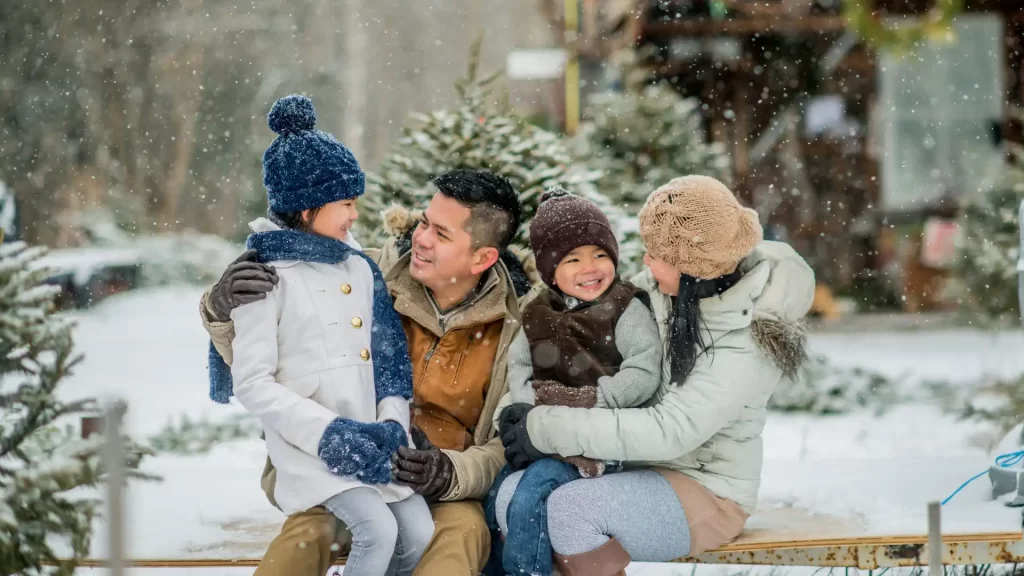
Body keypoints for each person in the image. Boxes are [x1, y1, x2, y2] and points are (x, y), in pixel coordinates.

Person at [201, 166, 542, 576]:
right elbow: (271, 366)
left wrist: (449, 472)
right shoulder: (360, 272)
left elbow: (504, 445)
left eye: (442, 234)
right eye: (424, 223)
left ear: (483, 257)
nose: (421, 238)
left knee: (460, 533)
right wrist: (222, 310)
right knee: (312, 533)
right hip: (339, 467)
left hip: (442, 486)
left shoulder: (518, 326)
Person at [499, 175, 816, 576]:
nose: (644, 262)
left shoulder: (747, 339)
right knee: (512, 496)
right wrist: (520, 408)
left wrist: (545, 428)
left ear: (693, 267)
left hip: (708, 489)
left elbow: (672, 430)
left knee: (570, 511)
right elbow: (571, 347)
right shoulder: (663, 293)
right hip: (634, 466)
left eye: (656, 254)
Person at [209, 94, 435, 575]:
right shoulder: (265, 275)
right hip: (310, 448)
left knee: (418, 531)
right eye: (346, 204)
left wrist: (392, 425)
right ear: (307, 206)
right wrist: (330, 434)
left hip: (375, 439)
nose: (355, 215)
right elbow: (252, 382)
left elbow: (390, 360)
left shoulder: (359, 266)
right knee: (377, 530)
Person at [484, 187, 662, 576]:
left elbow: (645, 370)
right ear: (550, 270)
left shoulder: (624, 308)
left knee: (533, 496)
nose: (590, 267)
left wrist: (592, 399)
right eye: (573, 259)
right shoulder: (536, 313)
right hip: (543, 439)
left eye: (600, 255)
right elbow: (519, 368)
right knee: (495, 497)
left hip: (597, 442)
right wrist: (533, 403)